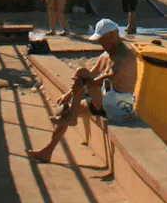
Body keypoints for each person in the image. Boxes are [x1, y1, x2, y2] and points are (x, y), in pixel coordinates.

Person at [25, 19, 139, 164]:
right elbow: (92, 73)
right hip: (106, 101)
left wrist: (84, 83)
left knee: (85, 78)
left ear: (111, 36)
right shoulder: (106, 54)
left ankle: (72, 116)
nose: (100, 43)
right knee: (79, 81)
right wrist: (68, 95)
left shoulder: (124, 56)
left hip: (121, 106)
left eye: (102, 40)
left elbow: (111, 78)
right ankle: (47, 151)